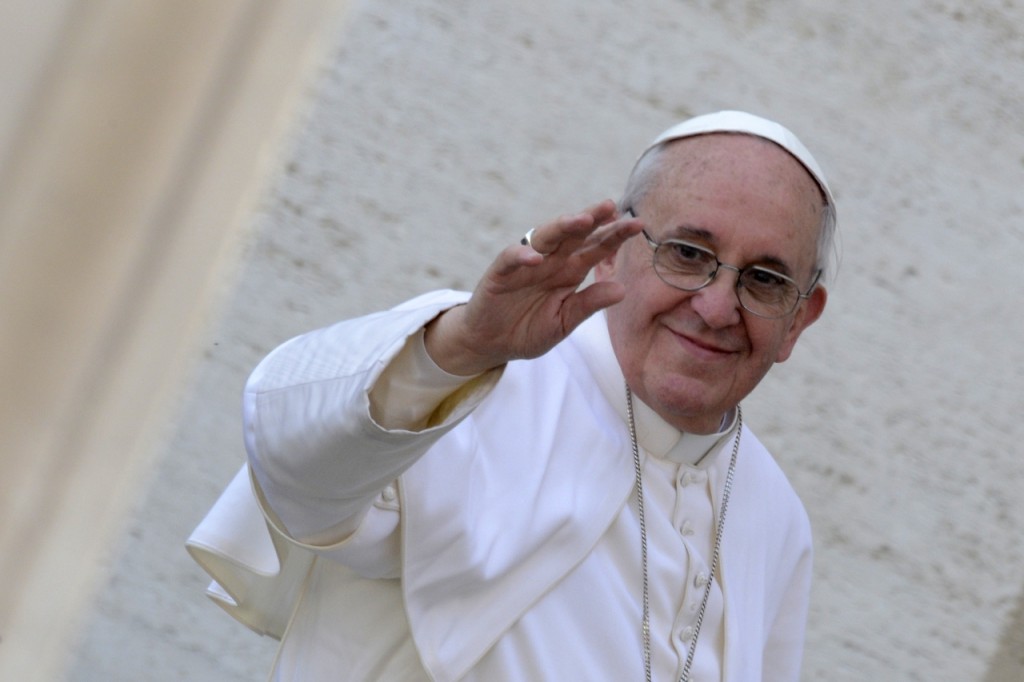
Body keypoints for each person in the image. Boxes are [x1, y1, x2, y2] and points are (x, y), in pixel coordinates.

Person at [187, 110, 837, 682]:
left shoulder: (776, 517)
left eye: (764, 280)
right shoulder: (460, 370)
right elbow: (294, 470)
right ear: (611, 252)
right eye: (689, 254)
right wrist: (463, 345)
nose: (717, 306)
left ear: (800, 320)